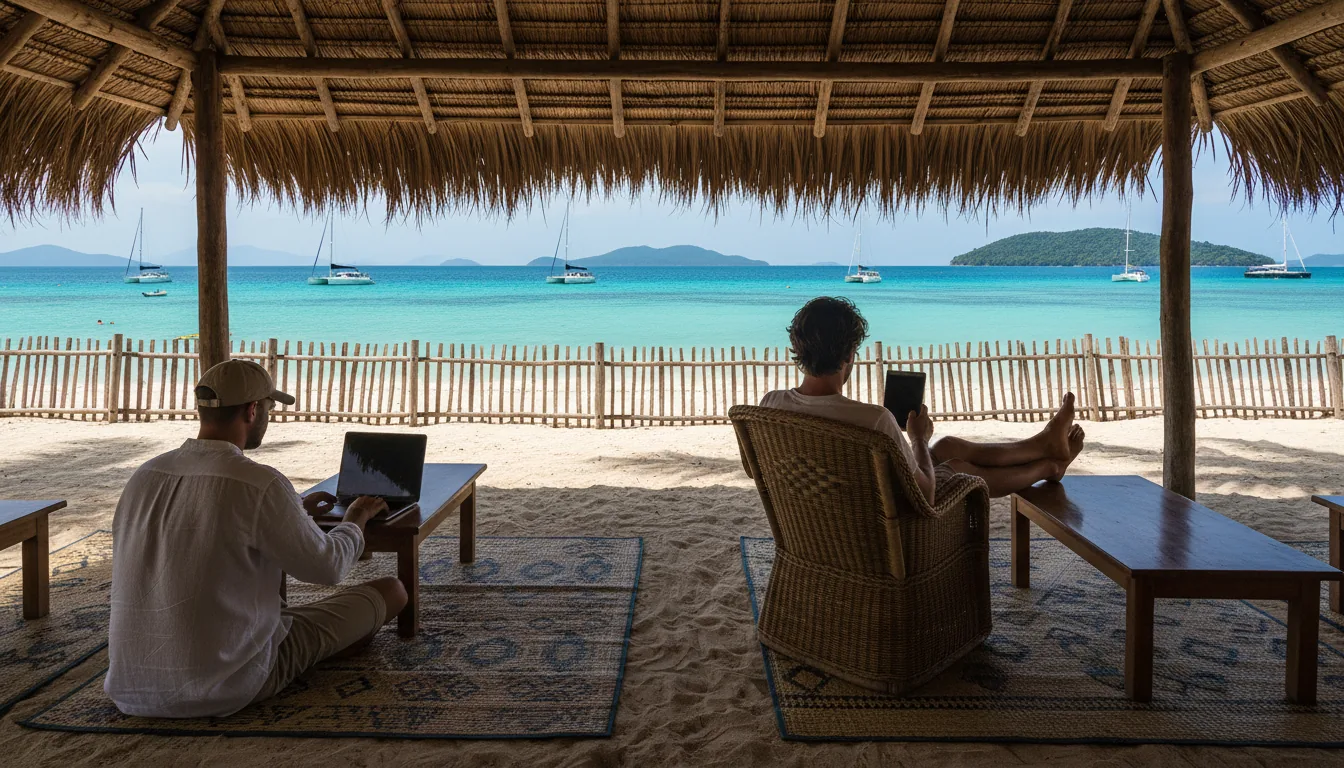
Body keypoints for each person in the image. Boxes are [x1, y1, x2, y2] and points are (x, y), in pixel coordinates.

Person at [105, 359, 408, 718]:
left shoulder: (145, 475)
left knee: (286, 609)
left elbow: (200, 525)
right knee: (393, 591)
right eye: (269, 408)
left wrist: (294, 511)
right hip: (228, 683)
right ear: (252, 410)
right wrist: (356, 519)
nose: (268, 416)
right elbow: (328, 568)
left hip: (131, 688)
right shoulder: (259, 482)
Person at [760, 297, 1084, 501]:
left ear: (797, 350)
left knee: (948, 446)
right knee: (956, 467)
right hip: (890, 527)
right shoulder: (873, 420)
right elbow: (926, 492)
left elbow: (755, 470)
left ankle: (1042, 445)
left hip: (828, 518)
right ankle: (1048, 466)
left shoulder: (770, 406)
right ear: (849, 355)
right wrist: (917, 437)